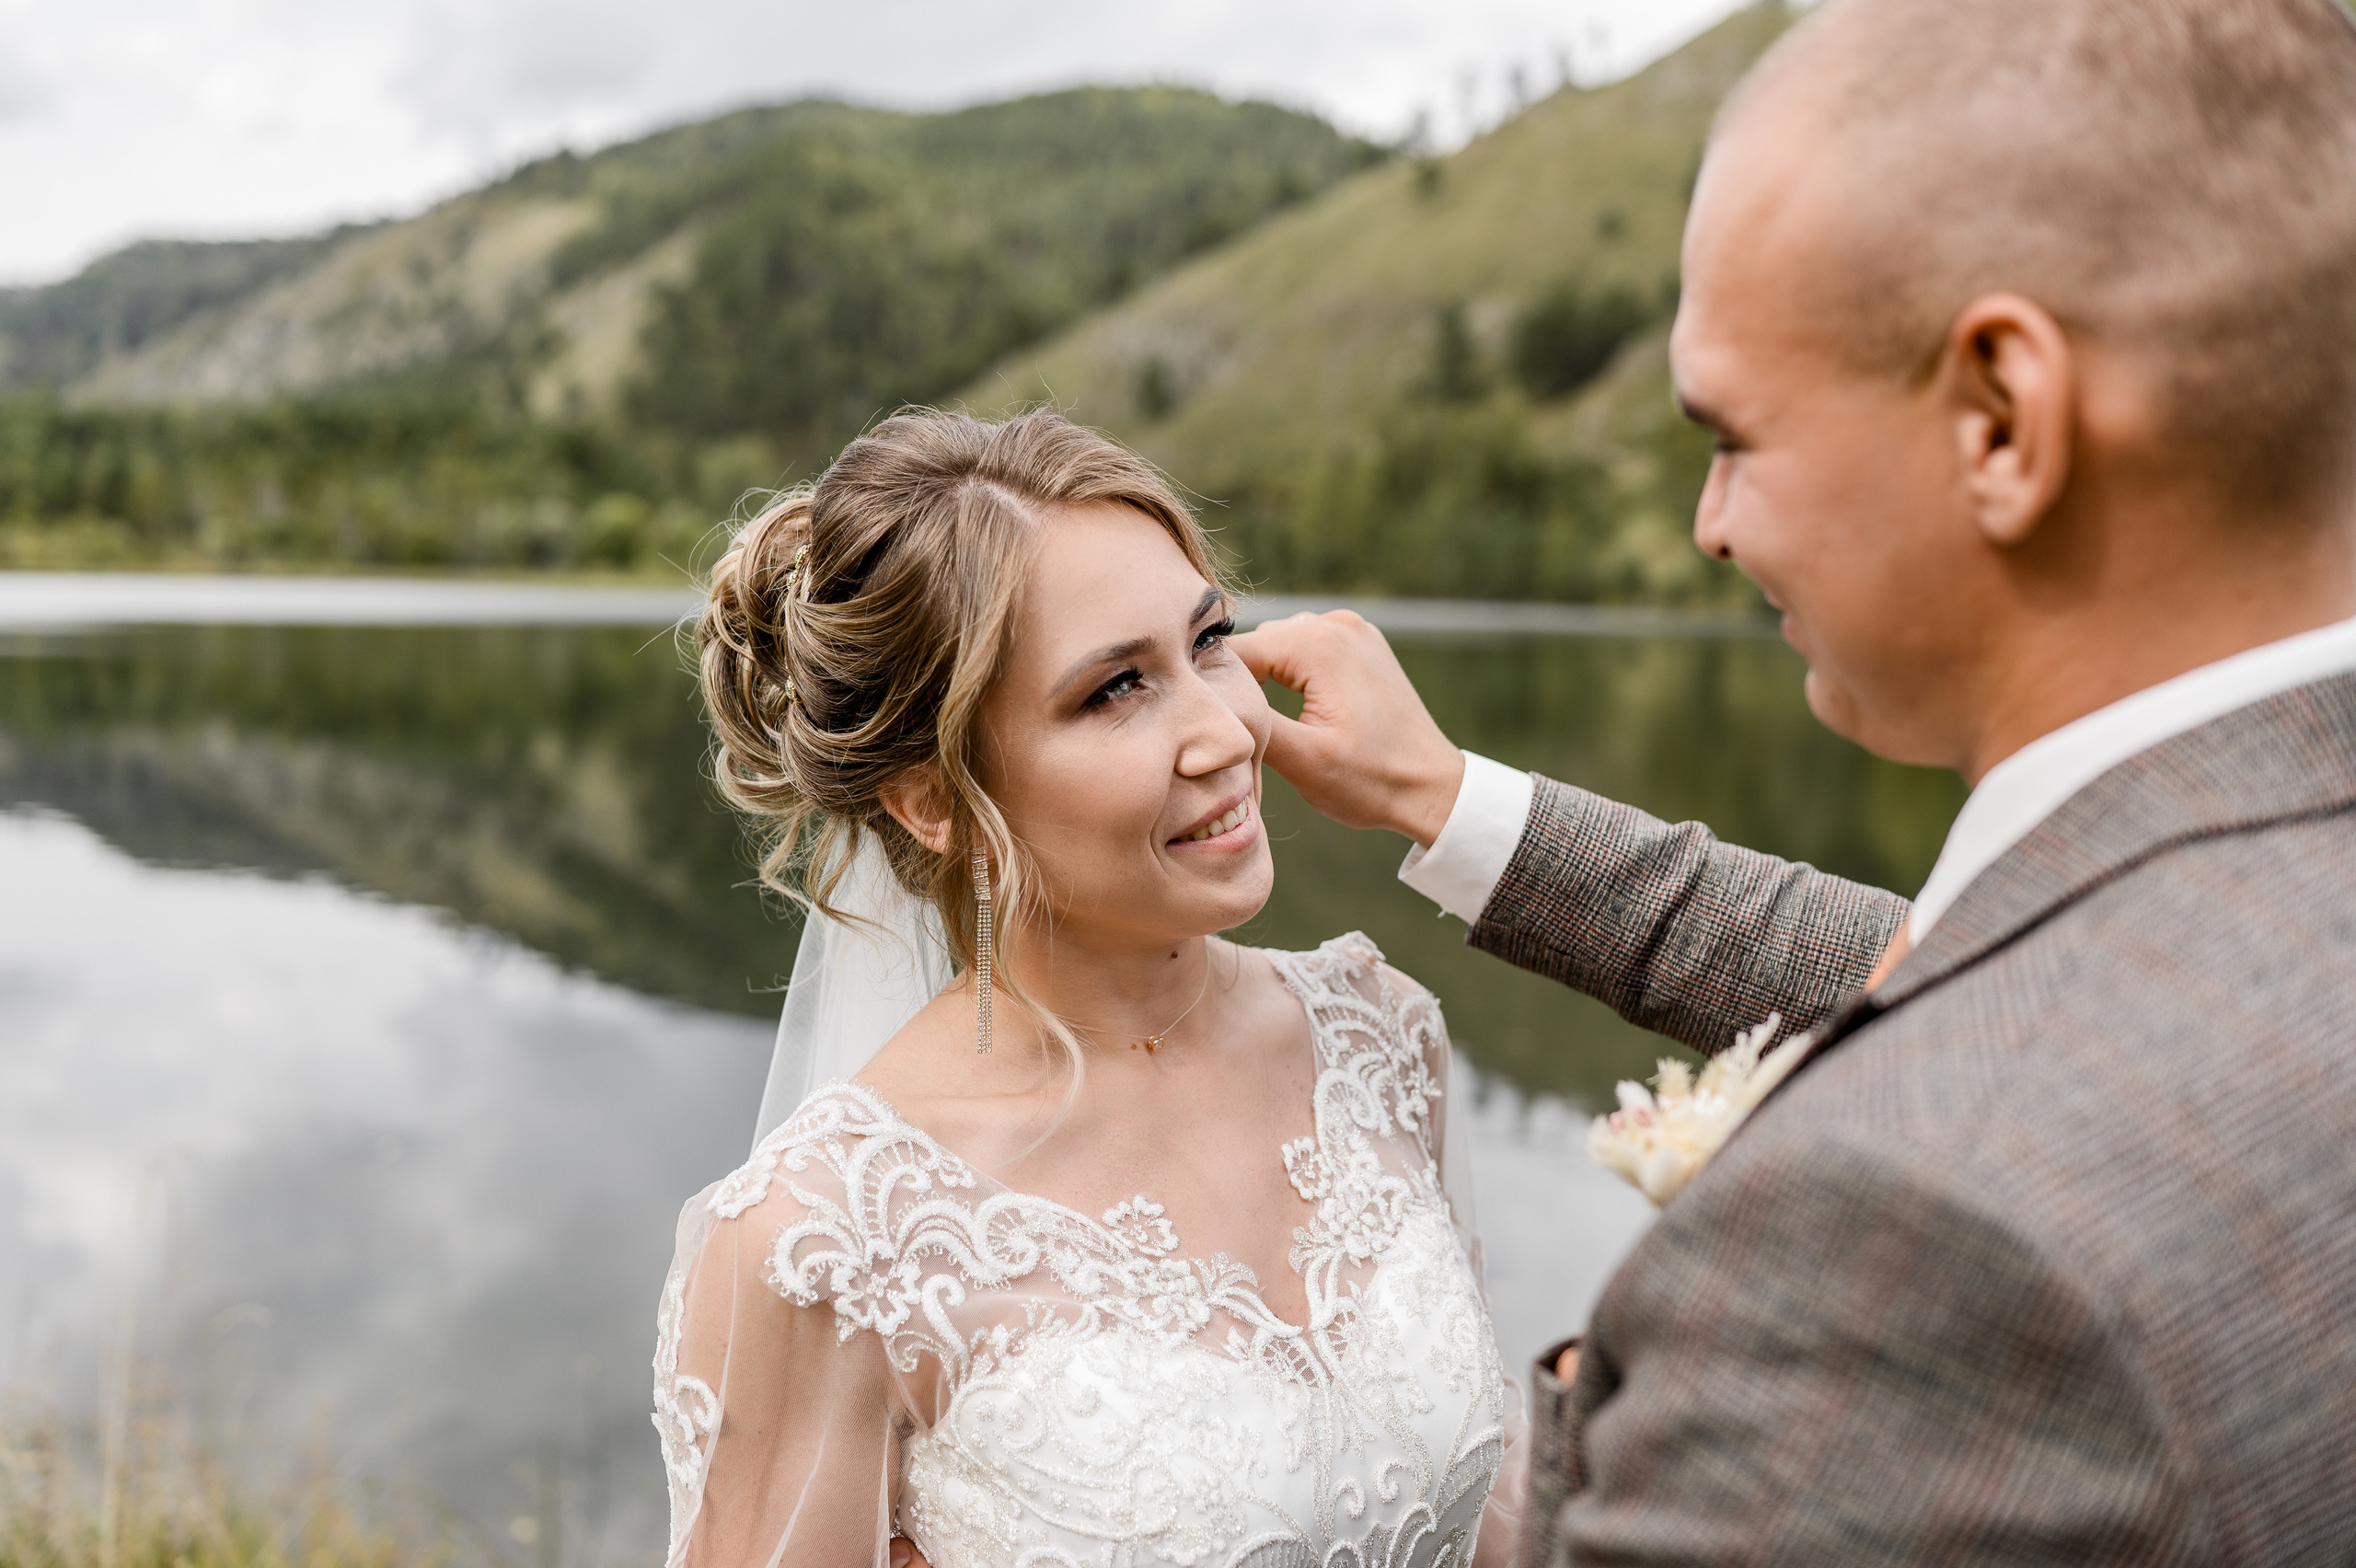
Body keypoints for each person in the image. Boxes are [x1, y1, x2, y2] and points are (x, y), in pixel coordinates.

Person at [1234, 0, 2356, 1562]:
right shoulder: (2268, 866)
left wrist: (1601, 1398)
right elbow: (1955, 958)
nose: (1708, 523)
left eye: (1734, 435)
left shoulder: (1918, 1245)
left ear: (2000, 420)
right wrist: (1449, 796)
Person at [653, 409, 1525, 1567]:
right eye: (1116, 689)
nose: (1225, 731)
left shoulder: (1380, 1034)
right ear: (936, 800)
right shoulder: (829, 1241)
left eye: (1208, 641)